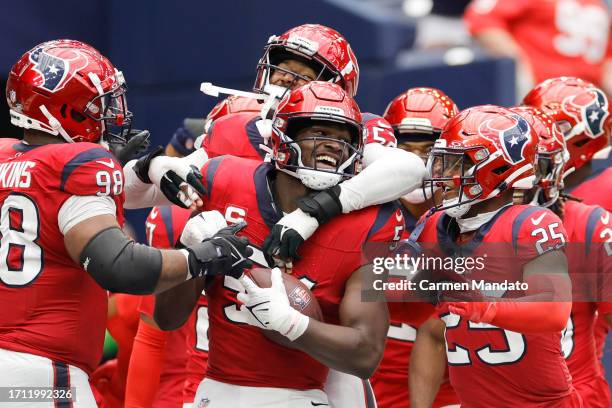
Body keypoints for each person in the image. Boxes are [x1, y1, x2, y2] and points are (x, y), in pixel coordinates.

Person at [0, 39, 252, 406]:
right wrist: (201, 256)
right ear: (63, 111)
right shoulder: (79, 164)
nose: (112, 114)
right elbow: (119, 266)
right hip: (42, 379)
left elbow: (59, 205)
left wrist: (146, 169)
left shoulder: (9, 158)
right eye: (100, 104)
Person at [155, 81, 405, 408]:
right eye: (319, 132)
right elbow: (166, 319)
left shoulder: (368, 223)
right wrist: (189, 253)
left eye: (343, 139)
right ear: (282, 135)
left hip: (301, 397)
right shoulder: (223, 180)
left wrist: (293, 324)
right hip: (213, 393)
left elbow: (366, 354)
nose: (332, 147)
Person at [409, 105, 578, 407]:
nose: (442, 175)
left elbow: (554, 311)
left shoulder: (530, 223)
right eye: (443, 163)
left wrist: (481, 306)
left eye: (455, 165)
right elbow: (429, 327)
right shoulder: (435, 225)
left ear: (496, 168)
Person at [512, 105, 612, 407]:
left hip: (571, 393)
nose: (519, 183)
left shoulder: (589, 224)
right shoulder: (448, 228)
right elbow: (433, 335)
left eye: (531, 168)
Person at [370, 87, 460, 408]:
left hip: (445, 392)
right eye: (406, 150)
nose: (419, 164)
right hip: (364, 384)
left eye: (429, 152)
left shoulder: (467, 221)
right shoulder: (362, 213)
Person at [464, 0, 612, 97]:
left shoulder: (598, 5)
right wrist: (520, 69)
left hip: (588, 102)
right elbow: (482, 20)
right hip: (541, 99)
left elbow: (606, 59)